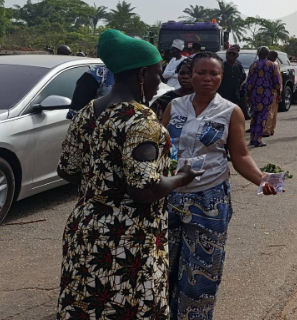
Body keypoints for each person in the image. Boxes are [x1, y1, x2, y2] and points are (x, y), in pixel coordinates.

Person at [56, 29, 203, 318]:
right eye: (157, 73)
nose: (159, 81)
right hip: (128, 239)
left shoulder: (87, 113)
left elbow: (67, 169)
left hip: (86, 230)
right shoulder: (142, 122)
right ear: (142, 74)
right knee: (132, 308)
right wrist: (181, 178)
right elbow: (144, 190)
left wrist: (104, 184)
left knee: (88, 308)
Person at [159, 51, 278, 319]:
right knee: (163, 266)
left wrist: (262, 179)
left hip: (209, 200)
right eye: (201, 72)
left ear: (221, 77)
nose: (207, 78)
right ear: (190, 75)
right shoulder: (174, 106)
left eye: (214, 73)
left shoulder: (230, 111)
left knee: (201, 271)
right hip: (170, 198)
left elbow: (240, 155)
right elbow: (160, 147)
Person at [246, 46, 281, 147]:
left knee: (254, 116)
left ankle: (252, 139)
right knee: (263, 117)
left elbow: (249, 82)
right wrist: (278, 94)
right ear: (267, 54)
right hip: (266, 95)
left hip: (255, 95)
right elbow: (277, 82)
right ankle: (258, 140)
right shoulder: (272, 65)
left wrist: (248, 95)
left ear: (258, 54)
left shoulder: (254, 65)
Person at [217, 45, 247, 110]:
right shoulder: (221, 66)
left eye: (233, 54)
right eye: (229, 53)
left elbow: (243, 77)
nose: (231, 55)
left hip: (234, 96)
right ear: (226, 55)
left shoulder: (238, 66)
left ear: (237, 56)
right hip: (222, 96)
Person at [264, 50, 282, 137]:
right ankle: (272, 129)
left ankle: (267, 130)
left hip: (272, 90)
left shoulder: (271, 65)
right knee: (274, 111)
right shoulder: (276, 64)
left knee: (269, 111)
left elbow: (276, 79)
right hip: (277, 90)